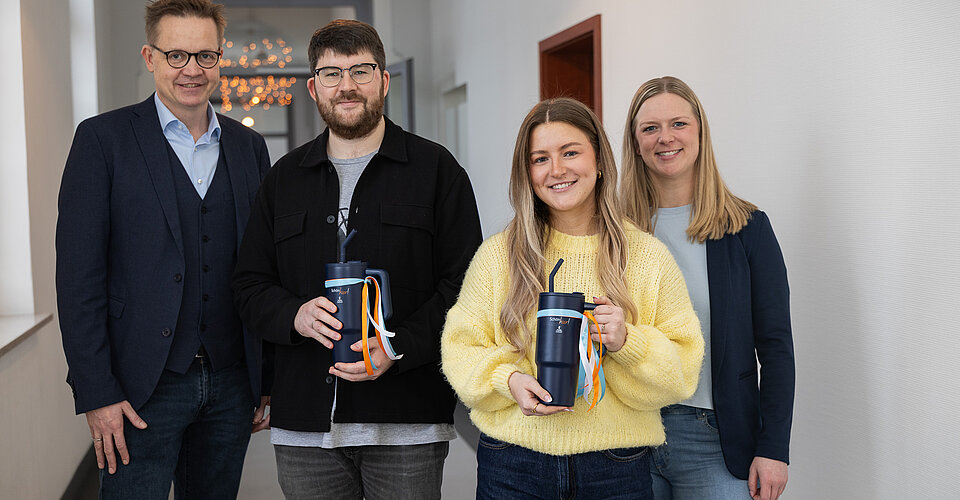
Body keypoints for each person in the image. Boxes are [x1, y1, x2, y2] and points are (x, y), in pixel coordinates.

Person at [231, 19, 482, 500]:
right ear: (314, 88)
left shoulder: (436, 170)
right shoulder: (283, 179)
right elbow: (249, 284)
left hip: (407, 420)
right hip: (305, 425)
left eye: (360, 71)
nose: (346, 86)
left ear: (383, 81)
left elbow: (467, 286)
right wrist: (295, 315)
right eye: (331, 73)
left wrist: (397, 345)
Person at [55, 0, 272, 497]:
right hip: (138, 386)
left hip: (232, 381)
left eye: (205, 56)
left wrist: (266, 376)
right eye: (176, 55)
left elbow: (261, 268)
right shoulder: (102, 140)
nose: (192, 69)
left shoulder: (248, 147)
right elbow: (78, 279)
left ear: (220, 59)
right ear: (150, 57)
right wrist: (97, 391)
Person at [440, 97, 704, 499]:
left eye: (570, 152)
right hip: (513, 463)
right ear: (527, 173)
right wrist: (508, 380)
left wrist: (627, 342)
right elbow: (460, 349)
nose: (557, 170)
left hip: (616, 468)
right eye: (540, 159)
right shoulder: (498, 255)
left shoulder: (647, 256)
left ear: (598, 161)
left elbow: (683, 371)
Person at [619, 76, 795, 500]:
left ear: (700, 132)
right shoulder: (614, 232)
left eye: (678, 124)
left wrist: (773, 449)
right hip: (627, 436)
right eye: (650, 128)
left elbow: (775, 347)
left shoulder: (747, 228)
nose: (665, 138)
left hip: (716, 441)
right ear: (636, 142)